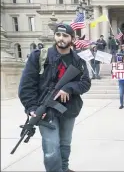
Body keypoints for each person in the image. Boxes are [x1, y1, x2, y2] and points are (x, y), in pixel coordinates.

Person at [18, 23, 91, 172]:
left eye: (65, 35)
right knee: (51, 147)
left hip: (68, 109)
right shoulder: (39, 56)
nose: (61, 38)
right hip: (45, 110)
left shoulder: (78, 60)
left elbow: (85, 83)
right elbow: (26, 85)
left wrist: (68, 88)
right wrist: (31, 107)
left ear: (72, 38)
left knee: (65, 143)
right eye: (58, 35)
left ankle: (64, 169)